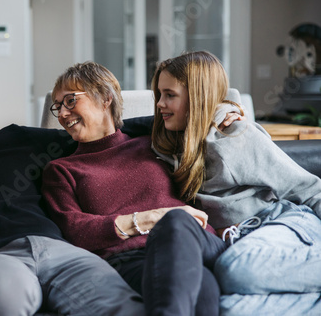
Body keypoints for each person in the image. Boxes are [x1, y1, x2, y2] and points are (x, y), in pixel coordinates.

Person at [0, 62, 144, 315]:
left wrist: (174, 120)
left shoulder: (21, 139)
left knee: (123, 306)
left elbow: (105, 131)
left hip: (60, 251)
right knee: (3, 305)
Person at [41, 61, 227, 316]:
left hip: (195, 238)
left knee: (174, 223)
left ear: (106, 98)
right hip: (131, 259)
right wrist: (149, 219)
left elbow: (194, 114)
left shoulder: (155, 142)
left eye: (70, 101)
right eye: (58, 106)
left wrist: (226, 111)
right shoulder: (62, 170)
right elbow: (75, 230)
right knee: (204, 290)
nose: (62, 114)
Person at [150, 51, 321, 315]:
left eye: (169, 95)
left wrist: (225, 109)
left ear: (198, 97)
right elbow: (125, 127)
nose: (160, 103)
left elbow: (308, 189)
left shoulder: (233, 136)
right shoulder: (169, 143)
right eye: (158, 95)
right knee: (229, 308)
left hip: (283, 224)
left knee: (234, 270)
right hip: (243, 240)